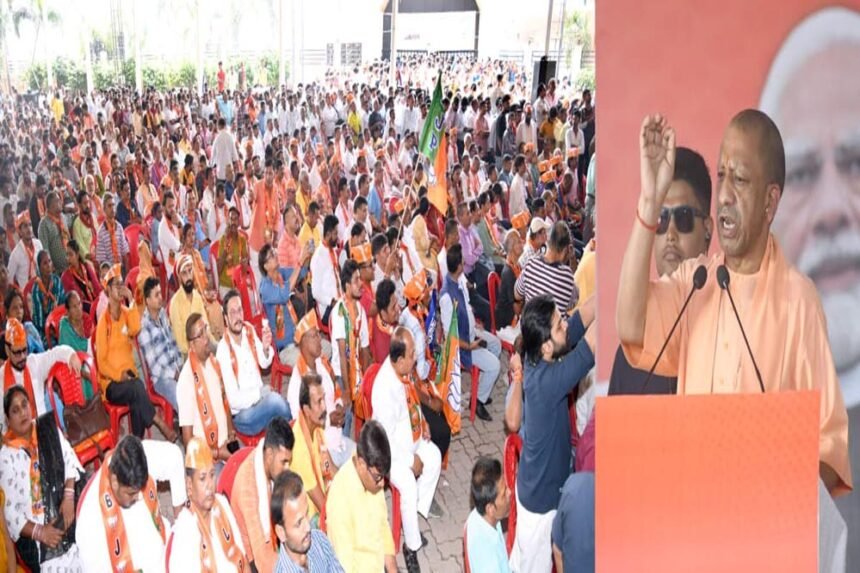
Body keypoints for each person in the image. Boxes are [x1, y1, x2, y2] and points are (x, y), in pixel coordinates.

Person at [617, 111, 851, 494]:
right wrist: (649, 200)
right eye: (722, 176)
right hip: (691, 514)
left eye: (739, 180)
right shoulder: (695, 282)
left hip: (761, 521)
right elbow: (630, 326)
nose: (724, 195)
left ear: (770, 202)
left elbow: (828, 450)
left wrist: (778, 486)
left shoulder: (798, 301)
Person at [608, 146, 713, 395]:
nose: (671, 234)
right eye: (661, 219)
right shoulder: (629, 357)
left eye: (684, 217)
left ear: (708, 229)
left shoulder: (724, 329)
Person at [511, 294, 595, 572]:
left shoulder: (539, 355)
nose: (566, 326)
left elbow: (581, 318)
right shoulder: (546, 382)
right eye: (560, 325)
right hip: (540, 505)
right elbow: (589, 348)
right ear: (546, 346)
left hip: (537, 486)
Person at [372, 327, 442, 573]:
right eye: (412, 354)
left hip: (411, 438)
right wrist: (411, 460)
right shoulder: (384, 388)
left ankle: (412, 520)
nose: (415, 358)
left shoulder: (403, 370)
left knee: (434, 457)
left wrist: (423, 422)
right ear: (399, 358)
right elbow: (387, 440)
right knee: (409, 486)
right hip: (390, 453)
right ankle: (410, 547)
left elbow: (412, 401)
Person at [0, 386, 84, 572]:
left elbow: (69, 459)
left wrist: (69, 496)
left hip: (64, 507)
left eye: (24, 405)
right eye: (15, 410)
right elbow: (10, 513)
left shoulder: (47, 430)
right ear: (8, 419)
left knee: (90, 546)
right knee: (58, 563)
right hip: (35, 533)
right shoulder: (6, 457)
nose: (22, 413)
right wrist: (41, 532)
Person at [77, 435, 187, 572]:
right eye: (131, 493)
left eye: (141, 490)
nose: (139, 496)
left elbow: (175, 457)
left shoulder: (139, 458)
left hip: (164, 550)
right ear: (114, 482)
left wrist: (180, 520)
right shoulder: (89, 518)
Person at [96, 264, 175, 440]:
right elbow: (101, 364)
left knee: (135, 395)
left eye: (121, 284)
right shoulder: (103, 323)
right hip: (112, 383)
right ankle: (159, 423)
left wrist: (131, 299)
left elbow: (135, 328)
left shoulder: (126, 313)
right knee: (137, 388)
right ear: (108, 290)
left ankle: (137, 441)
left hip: (130, 378)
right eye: (116, 285)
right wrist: (119, 375)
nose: (120, 288)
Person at [165, 437, 247, 572]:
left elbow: (242, 556)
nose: (210, 485)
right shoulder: (185, 532)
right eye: (202, 478)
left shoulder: (222, 503)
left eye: (212, 475)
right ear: (189, 485)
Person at [216, 290, 290, 436]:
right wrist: (259, 394)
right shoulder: (223, 350)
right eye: (232, 313)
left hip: (261, 402)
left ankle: (286, 434)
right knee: (276, 403)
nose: (238, 317)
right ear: (225, 318)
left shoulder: (248, 330)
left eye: (239, 310)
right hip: (243, 415)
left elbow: (264, 363)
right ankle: (294, 434)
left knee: (279, 410)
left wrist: (266, 348)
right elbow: (233, 400)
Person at [440, 245, 501, 422]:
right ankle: (478, 402)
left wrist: (474, 325)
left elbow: (467, 306)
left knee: (496, 344)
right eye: (462, 261)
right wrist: (470, 346)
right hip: (462, 347)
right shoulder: (446, 296)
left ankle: (480, 391)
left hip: (471, 332)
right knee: (495, 366)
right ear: (459, 266)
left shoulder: (459, 279)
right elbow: (450, 337)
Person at [326, 420, 396, 573]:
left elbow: (383, 525)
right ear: (361, 464)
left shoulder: (371, 479)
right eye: (378, 477)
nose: (382, 484)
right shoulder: (340, 501)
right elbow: (345, 567)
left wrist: (392, 569)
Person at [288, 312, 353, 467]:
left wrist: (339, 406)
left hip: (338, 440)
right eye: (314, 336)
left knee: (366, 461)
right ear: (303, 343)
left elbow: (336, 391)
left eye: (319, 334)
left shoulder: (322, 363)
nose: (320, 340)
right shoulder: (298, 383)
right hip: (322, 451)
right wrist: (330, 420)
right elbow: (303, 426)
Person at [399, 270, 452, 460]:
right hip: (412, 385)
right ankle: (431, 459)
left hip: (408, 375)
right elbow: (421, 373)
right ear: (420, 300)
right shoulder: (417, 331)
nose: (431, 295)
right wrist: (435, 364)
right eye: (427, 293)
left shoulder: (407, 313)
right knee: (444, 427)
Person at [231, 417, 294, 573]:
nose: (287, 468)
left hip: (271, 543)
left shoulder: (269, 467)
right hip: (250, 559)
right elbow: (262, 559)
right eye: (284, 462)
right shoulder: (248, 487)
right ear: (270, 454)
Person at [178, 312, 239, 472]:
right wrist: (218, 453)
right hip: (207, 460)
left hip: (226, 446)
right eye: (201, 334)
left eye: (205, 329)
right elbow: (188, 443)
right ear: (192, 345)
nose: (206, 337)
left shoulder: (214, 362)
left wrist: (231, 432)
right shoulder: (186, 380)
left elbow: (224, 401)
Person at [1, 317, 80, 431]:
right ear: (7, 350)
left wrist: (70, 354)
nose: (22, 357)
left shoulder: (34, 363)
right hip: (15, 438)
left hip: (42, 429)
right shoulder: (1, 378)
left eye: (25, 350)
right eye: (17, 352)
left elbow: (55, 353)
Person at [330, 259, 371, 439]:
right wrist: (347, 391)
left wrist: (367, 380)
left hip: (356, 370)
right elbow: (342, 354)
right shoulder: (340, 312)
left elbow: (365, 349)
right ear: (347, 286)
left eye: (360, 279)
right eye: (356, 280)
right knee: (345, 411)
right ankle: (343, 444)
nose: (361, 283)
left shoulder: (360, 310)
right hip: (342, 373)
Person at [271, 470, 344, 572]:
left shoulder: (319, 541)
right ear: (281, 532)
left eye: (307, 513)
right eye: (299, 523)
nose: (308, 527)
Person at [289, 372, 337, 526]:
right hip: (309, 519)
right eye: (318, 402)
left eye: (324, 399)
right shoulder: (299, 448)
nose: (325, 407)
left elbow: (331, 469)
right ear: (306, 410)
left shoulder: (316, 428)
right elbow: (322, 506)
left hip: (322, 501)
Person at [259, 243, 310, 367]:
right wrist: (300, 262)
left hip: (297, 337)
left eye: (274, 251)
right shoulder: (265, 288)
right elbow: (284, 295)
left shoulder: (280, 273)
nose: (276, 254)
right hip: (285, 347)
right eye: (272, 255)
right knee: (308, 362)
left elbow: (302, 272)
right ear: (266, 266)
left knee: (324, 349)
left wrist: (307, 256)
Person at [515, 221, 578, 316]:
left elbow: (517, 294)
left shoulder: (530, 263)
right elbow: (572, 303)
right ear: (565, 250)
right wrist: (571, 259)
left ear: (548, 241)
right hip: (552, 326)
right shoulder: (567, 276)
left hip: (530, 322)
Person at [138, 276, 183, 411]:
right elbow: (154, 367)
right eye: (156, 295)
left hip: (175, 369)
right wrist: (174, 374)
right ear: (147, 301)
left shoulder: (162, 314)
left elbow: (173, 343)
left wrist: (181, 367)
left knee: (198, 384)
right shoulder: (144, 327)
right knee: (182, 400)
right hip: (162, 378)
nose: (160, 298)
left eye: (160, 293)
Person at [465, 456, 511, 573]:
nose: (509, 493)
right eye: (504, 494)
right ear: (490, 509)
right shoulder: (489, 563)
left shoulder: (475, 517)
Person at [170, 253, 215, 357]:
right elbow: (181, 343)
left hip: (205, 344)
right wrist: (197, 350)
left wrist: (212, 343)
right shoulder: (175, 303)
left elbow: (206, 326)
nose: (188, 277)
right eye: (184, 273)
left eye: (190, 271)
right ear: (179, 277)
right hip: (189, 354)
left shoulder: (197, 297)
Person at [310, 215, 343, 325]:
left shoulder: (332, 251)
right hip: (328, 308)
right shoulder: (318, 257)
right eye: (335, 234)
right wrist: (332, 302)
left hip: (338, 301)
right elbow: (315, 292)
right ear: (328, 234)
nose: (337, 237)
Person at [30, 250, 66, 341]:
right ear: (39, 267)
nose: (48, 265)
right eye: (45, 263)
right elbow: (39, 322)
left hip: (60, 324)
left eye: (49, 261)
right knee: (52, 342)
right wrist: (51, 328)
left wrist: (59, 325)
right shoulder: (36, 290)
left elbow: (63, 306)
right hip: (43, 330)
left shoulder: (57, 281)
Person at [60, 239, 101, 314]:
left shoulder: (87, 266)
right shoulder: (65, 276)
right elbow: (70, 302)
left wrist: (100, 302)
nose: (68, 258)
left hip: (97, 305)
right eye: (67, 255)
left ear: (77, 255)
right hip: (81, 311)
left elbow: (97, 287)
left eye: (71, 255)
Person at [216, 206, 250, 293]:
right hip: (225, 285)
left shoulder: (242, 240)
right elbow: (218, 269)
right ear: (228, 221)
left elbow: (245, 266)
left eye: (235, 219)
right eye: (231, 219)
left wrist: (244, 264)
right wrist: (226, 248)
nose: (233, 222)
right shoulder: (223, 240)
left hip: (238, 284)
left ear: (239, 222)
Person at [36, 191, 70, 274]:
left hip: (70, 265)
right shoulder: (44, 224)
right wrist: (51, 268)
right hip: (58, 272)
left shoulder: (62, 217)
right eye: (58, 200)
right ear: (51, 205)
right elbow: (44, 249)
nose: (61, 202)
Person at [94, 193, 130, 270]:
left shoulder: (119, 227)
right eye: (109, 206)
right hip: (110, 272)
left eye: (113, 205)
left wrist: (126, 272)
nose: (112, 208)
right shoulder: (101, 232)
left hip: (121, 268)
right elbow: (102, 262)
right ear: (104, 209)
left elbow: (124, 253)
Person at [7, 212, 42, 288]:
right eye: (25, 226)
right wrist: (18, 291)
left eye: (30, 225)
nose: (29, 229)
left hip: (42, 289)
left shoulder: (38, 244)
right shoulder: (15, 254)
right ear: (19, 231)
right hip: (27, 292)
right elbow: (9, 280)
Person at [370, 279, 400, 364]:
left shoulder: (382, 318)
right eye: (393, 307)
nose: (398, 309)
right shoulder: (383, 348)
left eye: (396, 303)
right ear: (383, 313)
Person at [58, 291, 93, 360]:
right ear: (68, 311)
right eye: (74, 306)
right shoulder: (65, 328)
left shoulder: (86, 319)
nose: (78, 309)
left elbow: (93, 341)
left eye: (79, 303)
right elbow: (65, 353)